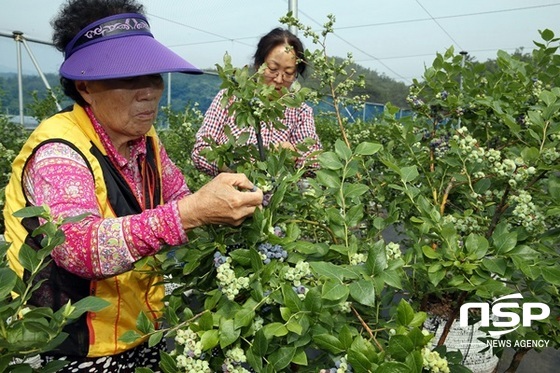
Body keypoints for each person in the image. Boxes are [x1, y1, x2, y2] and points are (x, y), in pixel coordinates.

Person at [2, 0, 263, 371]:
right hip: (74, 345)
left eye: (153, 76)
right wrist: (191, 213)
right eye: (128, 79)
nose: (149, 92)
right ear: (86, 87)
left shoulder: (146, 141)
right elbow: (79, 247)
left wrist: (225, 203)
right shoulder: (57, 152)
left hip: (140, 329)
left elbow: (178, 197)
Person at [191, 27, 322, 176]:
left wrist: (292, 154)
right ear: (258, 65)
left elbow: (315, 161)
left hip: (278, 197)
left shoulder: (299, 111)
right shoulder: (230, 99)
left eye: (288, 73)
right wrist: (238, 165)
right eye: (272, 69)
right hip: (232, 196)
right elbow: (200, 152)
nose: (279, 79)